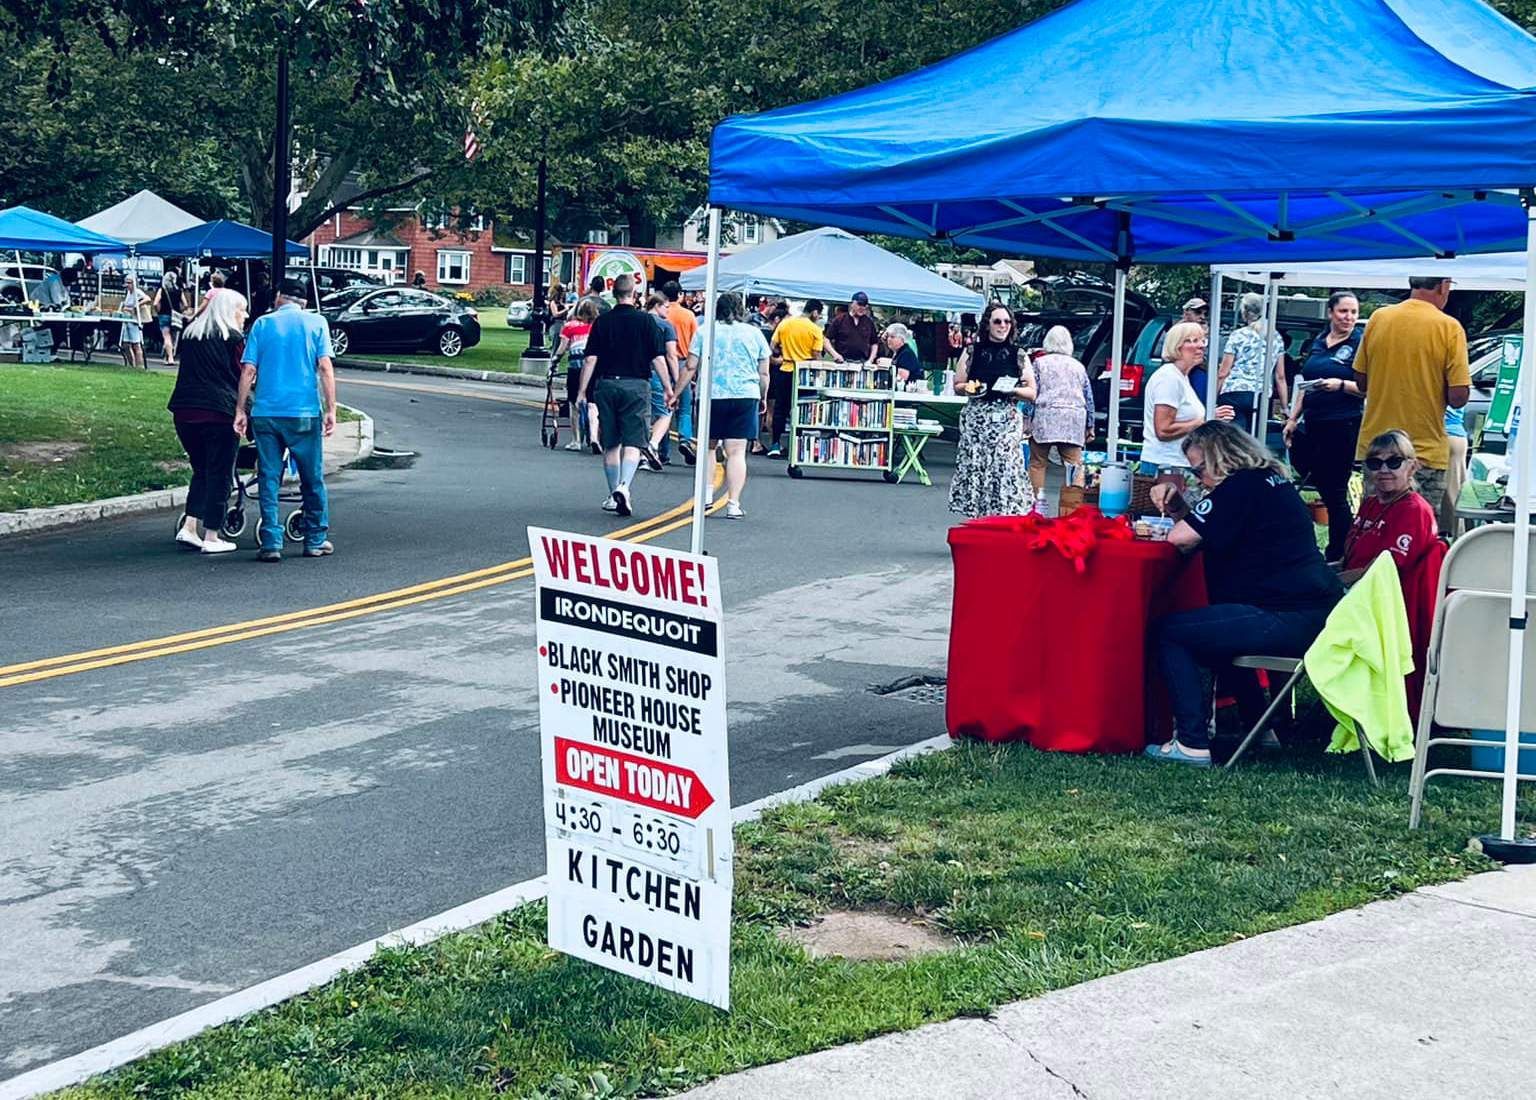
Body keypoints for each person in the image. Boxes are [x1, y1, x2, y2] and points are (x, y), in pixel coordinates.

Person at [1144, 421, 1344, 767]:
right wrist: (1179, 507)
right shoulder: (1270, 480)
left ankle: (1191, 743)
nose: (1200, 480)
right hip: (1315, 614)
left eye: (1200, 470)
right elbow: (1206, 529)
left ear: (1220, 458)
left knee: (1171, 631)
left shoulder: (1239, 487)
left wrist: (1177, 509)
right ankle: (1260, 729)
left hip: (1286, 616)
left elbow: (1181, 538)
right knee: (1220, 629)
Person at [1340, 430, 1446, 720]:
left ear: (1412, 466)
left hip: (1387, 604)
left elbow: (1384, 570)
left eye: (1394, 462)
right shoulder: (1372, 503)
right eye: (1375, 463)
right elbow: (1351, 558)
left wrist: (1332, 583)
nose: (1384, 469)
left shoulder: (1413, 509)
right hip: (1362, 594)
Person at [233, 276, 337, 562]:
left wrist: (241, 409)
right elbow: (325, 368)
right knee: (312, 477)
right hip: (303, 412)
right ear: (304, 302)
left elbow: (248, 370)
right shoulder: (317, 323)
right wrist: (331, 409)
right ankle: (315, 539)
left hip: (266, 412)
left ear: (279, 297)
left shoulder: (262, 324)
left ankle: (271, 541)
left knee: (269, 476)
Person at [1352, 276, 1471, 516]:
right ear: (1443, 285)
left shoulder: (1378, 318)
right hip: (1423, 450)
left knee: (1376, 525)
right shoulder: (1449, 327)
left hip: (1377, 449)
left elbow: (1361, 382)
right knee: (1418, 530)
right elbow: (1458, 397)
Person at [576, 273, 670, 517]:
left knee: (611, 443)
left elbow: (590, 359)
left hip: (607, 384)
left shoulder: (602, 322)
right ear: (634, 293)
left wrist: (582, 391)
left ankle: (612, 495)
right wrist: (668, 387)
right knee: (633, 442)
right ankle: (624, 486)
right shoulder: (646, 321)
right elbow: (657, 358)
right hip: (636, 385)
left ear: (614, 293)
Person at [166, 289, 248, 555]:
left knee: (201, 469)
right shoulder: (233, 338)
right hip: (219, 411)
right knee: (220, 473)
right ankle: (212, 534)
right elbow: (242, 374)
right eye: (241, 309)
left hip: (185, 410)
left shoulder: (191, 335)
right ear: (229, 310)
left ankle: (190, 526)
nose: (245, 315)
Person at [675, 292, 769, 519]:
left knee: (708, 448)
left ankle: (706, 497)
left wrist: (676, 393)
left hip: (711, 395)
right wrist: (763, 397)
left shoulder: (704, 331)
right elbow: (764, 373)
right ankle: (733, 504)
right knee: (736, 453)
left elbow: (690, 366)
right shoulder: (754, 333)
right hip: (744, 394)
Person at [1284, 291, 1363, 562]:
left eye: (1353, 312)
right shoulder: (1320, 341)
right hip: (1313, 422)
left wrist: (1340, 385)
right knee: (1316, 482)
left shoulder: (1359, 343)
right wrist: (1292, 418)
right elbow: (1304, 385)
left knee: (1335, 491)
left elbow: (1368, 387)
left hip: (1342, 422)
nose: (1349, 317)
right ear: (1331, 313)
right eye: (1343, 311)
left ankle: (1339, 551)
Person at [948, 302, 1036, 518]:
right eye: (997, 321)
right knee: (978, 465)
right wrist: (972, 388)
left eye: (1007, 321)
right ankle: (979, 518)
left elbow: (1032, 392)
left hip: (1006, 418)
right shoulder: (972, 351)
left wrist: (1013, 390)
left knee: (1005, 465)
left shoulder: (1019, 354)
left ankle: (1004, 516)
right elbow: (958, 385)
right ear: (987, 324)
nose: (1002, 326)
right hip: (977, 419)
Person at [1141, 322, 1232, 471]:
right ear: (1176, 347)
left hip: (1178, 464)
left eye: (1202, 340)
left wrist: (1211, 417)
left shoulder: (1181, 377)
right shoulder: (1169, 378)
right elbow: (1163, 430)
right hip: (1166, 466)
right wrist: (1205, 420)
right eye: (1192, 341)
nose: (1201, 346)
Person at [765, 299, 841, 458]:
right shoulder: (815, 329)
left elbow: (772, 347)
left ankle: (775, 444)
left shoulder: (785, 324)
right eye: (819, 314)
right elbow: (816, 354)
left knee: (780, 409)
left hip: (785, 369)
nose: (819, 317)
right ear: (814, 312)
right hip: (805, 373)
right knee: (803, 409)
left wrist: (779, 358)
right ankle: (798, 446)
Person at [1027, 325, 1094, 497]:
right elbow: (1088, 398)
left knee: (1037, 463)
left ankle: (1037, 504)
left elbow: (1032, 393)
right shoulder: (1079, 366)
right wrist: (1090, 425)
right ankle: (1071, 506)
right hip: (1073, 420)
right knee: (1074, 465)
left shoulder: (1039, 363)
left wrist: (1027, 419)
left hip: (1045, 417)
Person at [1217, 292, 1283, 433]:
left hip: (1234, 391)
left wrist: (1212, 397)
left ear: (1244, 312)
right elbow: (1280, 376)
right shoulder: (1275, 337)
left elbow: (1223, 372)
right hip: (1261, 393)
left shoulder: (1238, 335)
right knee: (1255, 437)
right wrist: (1285, 408)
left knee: (1233, 437)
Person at [553, 299, 600, 452]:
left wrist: (555, 361)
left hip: (575, 367)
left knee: (574, 403)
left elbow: (562, 348)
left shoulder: (570, 326)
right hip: (594, 367)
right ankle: (594, 437)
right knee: (593, 403)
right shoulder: (597, 327)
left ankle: (576, 440)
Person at [642, 291, 681, 470]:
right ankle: (653, 444)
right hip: (657, 373)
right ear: (657, 306)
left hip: (637, 373)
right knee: (665, 413)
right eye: (666, 307)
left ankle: (640, 454)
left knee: (644, 414)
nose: (668, 310)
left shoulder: (639, 321)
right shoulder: (665, 326)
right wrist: (676, 380)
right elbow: (671, 355)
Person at [662, 281, 699, 464]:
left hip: (662, 363)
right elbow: (695, 343)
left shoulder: (661, 314)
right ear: (679, 295)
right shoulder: (688, 315)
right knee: (685, 407)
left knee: (663, 408)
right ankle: (685, 439)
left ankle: (662, 452)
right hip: (684, 363)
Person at [826, 291, 879, 363]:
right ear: (852, 304)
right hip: (842, 362)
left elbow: (874, 343)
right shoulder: (840, 320)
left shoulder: (869, 322)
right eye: (859, 304)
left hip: (862, 362)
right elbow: (826, 340)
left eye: (864, 305)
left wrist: (870, 360)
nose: (862, 308)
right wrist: (835, 354)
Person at [1441, 404, 1468, 538]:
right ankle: (1460, 539)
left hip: (1444, 436)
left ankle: (1456, 539)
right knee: (1456, 493)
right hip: (1458, 436)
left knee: (1450, 497)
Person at [154, 265, 185, 365]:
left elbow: (155, 303)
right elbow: (185, 304)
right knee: (174, 337)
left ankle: (170, 358)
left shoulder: (162, 290)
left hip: (164, 315)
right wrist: (179, 311)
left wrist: (158, 311)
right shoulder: (179, 291)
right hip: (176, 316)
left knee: (166, 337)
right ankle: (168, 356)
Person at [118, 274, 149, 369]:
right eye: (126, 282)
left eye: (129, 283)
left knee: (136, 344)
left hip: (134, 321)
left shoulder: (137, 292)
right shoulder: (128, 293)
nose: (127, 285)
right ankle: (132, 365)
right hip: (127, 320)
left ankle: (140, 366)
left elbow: (147, 298)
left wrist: (137, 305)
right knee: (126, 344)